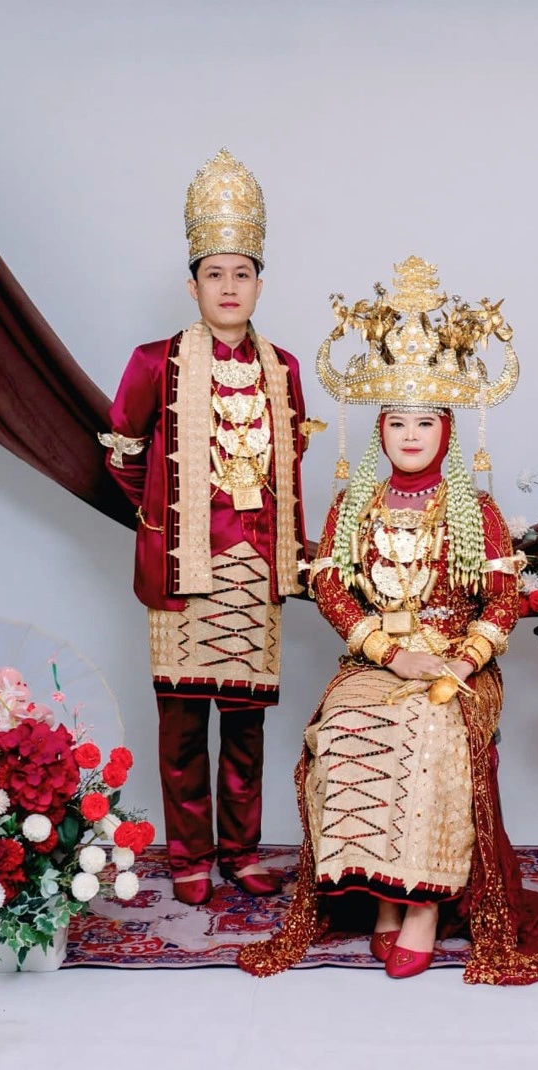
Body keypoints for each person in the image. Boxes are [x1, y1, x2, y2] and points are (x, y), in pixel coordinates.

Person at [238, 257, 538, 983]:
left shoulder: (477, 509)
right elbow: (334, 592)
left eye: (425, 422)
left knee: (430, 728)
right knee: (345, 728)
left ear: (448, 430)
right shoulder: (356, 505)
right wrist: (388, 652)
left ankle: (424, 909)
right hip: (376, 661)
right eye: (398, 422)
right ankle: (383, 892)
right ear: (380, 431)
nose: (411, 435)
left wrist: (462, 661)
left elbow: (501, 603)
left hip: (457, 665)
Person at [100, 150, 314, 906]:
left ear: (260, 283)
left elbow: (291, 460)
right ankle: (190, 856)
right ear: (192, 285)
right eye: (214, 274)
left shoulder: (284, 368)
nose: (229, 286)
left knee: (247, 729)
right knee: (184, 724)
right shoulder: (153, 362)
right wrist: (163, 516)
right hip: (182, 567)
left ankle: (241, 852)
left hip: (257, 565)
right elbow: (123, 453)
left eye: (242, 273)